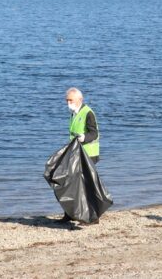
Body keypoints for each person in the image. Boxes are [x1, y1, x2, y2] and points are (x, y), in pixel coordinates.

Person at [59, 87, 101, 224]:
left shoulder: (88, 113)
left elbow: (94, 133)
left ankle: (93, 217)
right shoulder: (73, 113)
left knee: (86, 186)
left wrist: (84, 137)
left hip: (88, 154)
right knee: (70, 182)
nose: (68, 103)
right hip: (76, 153)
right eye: (67, 100)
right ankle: (69, 214)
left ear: (79, 100)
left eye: (70, 100)